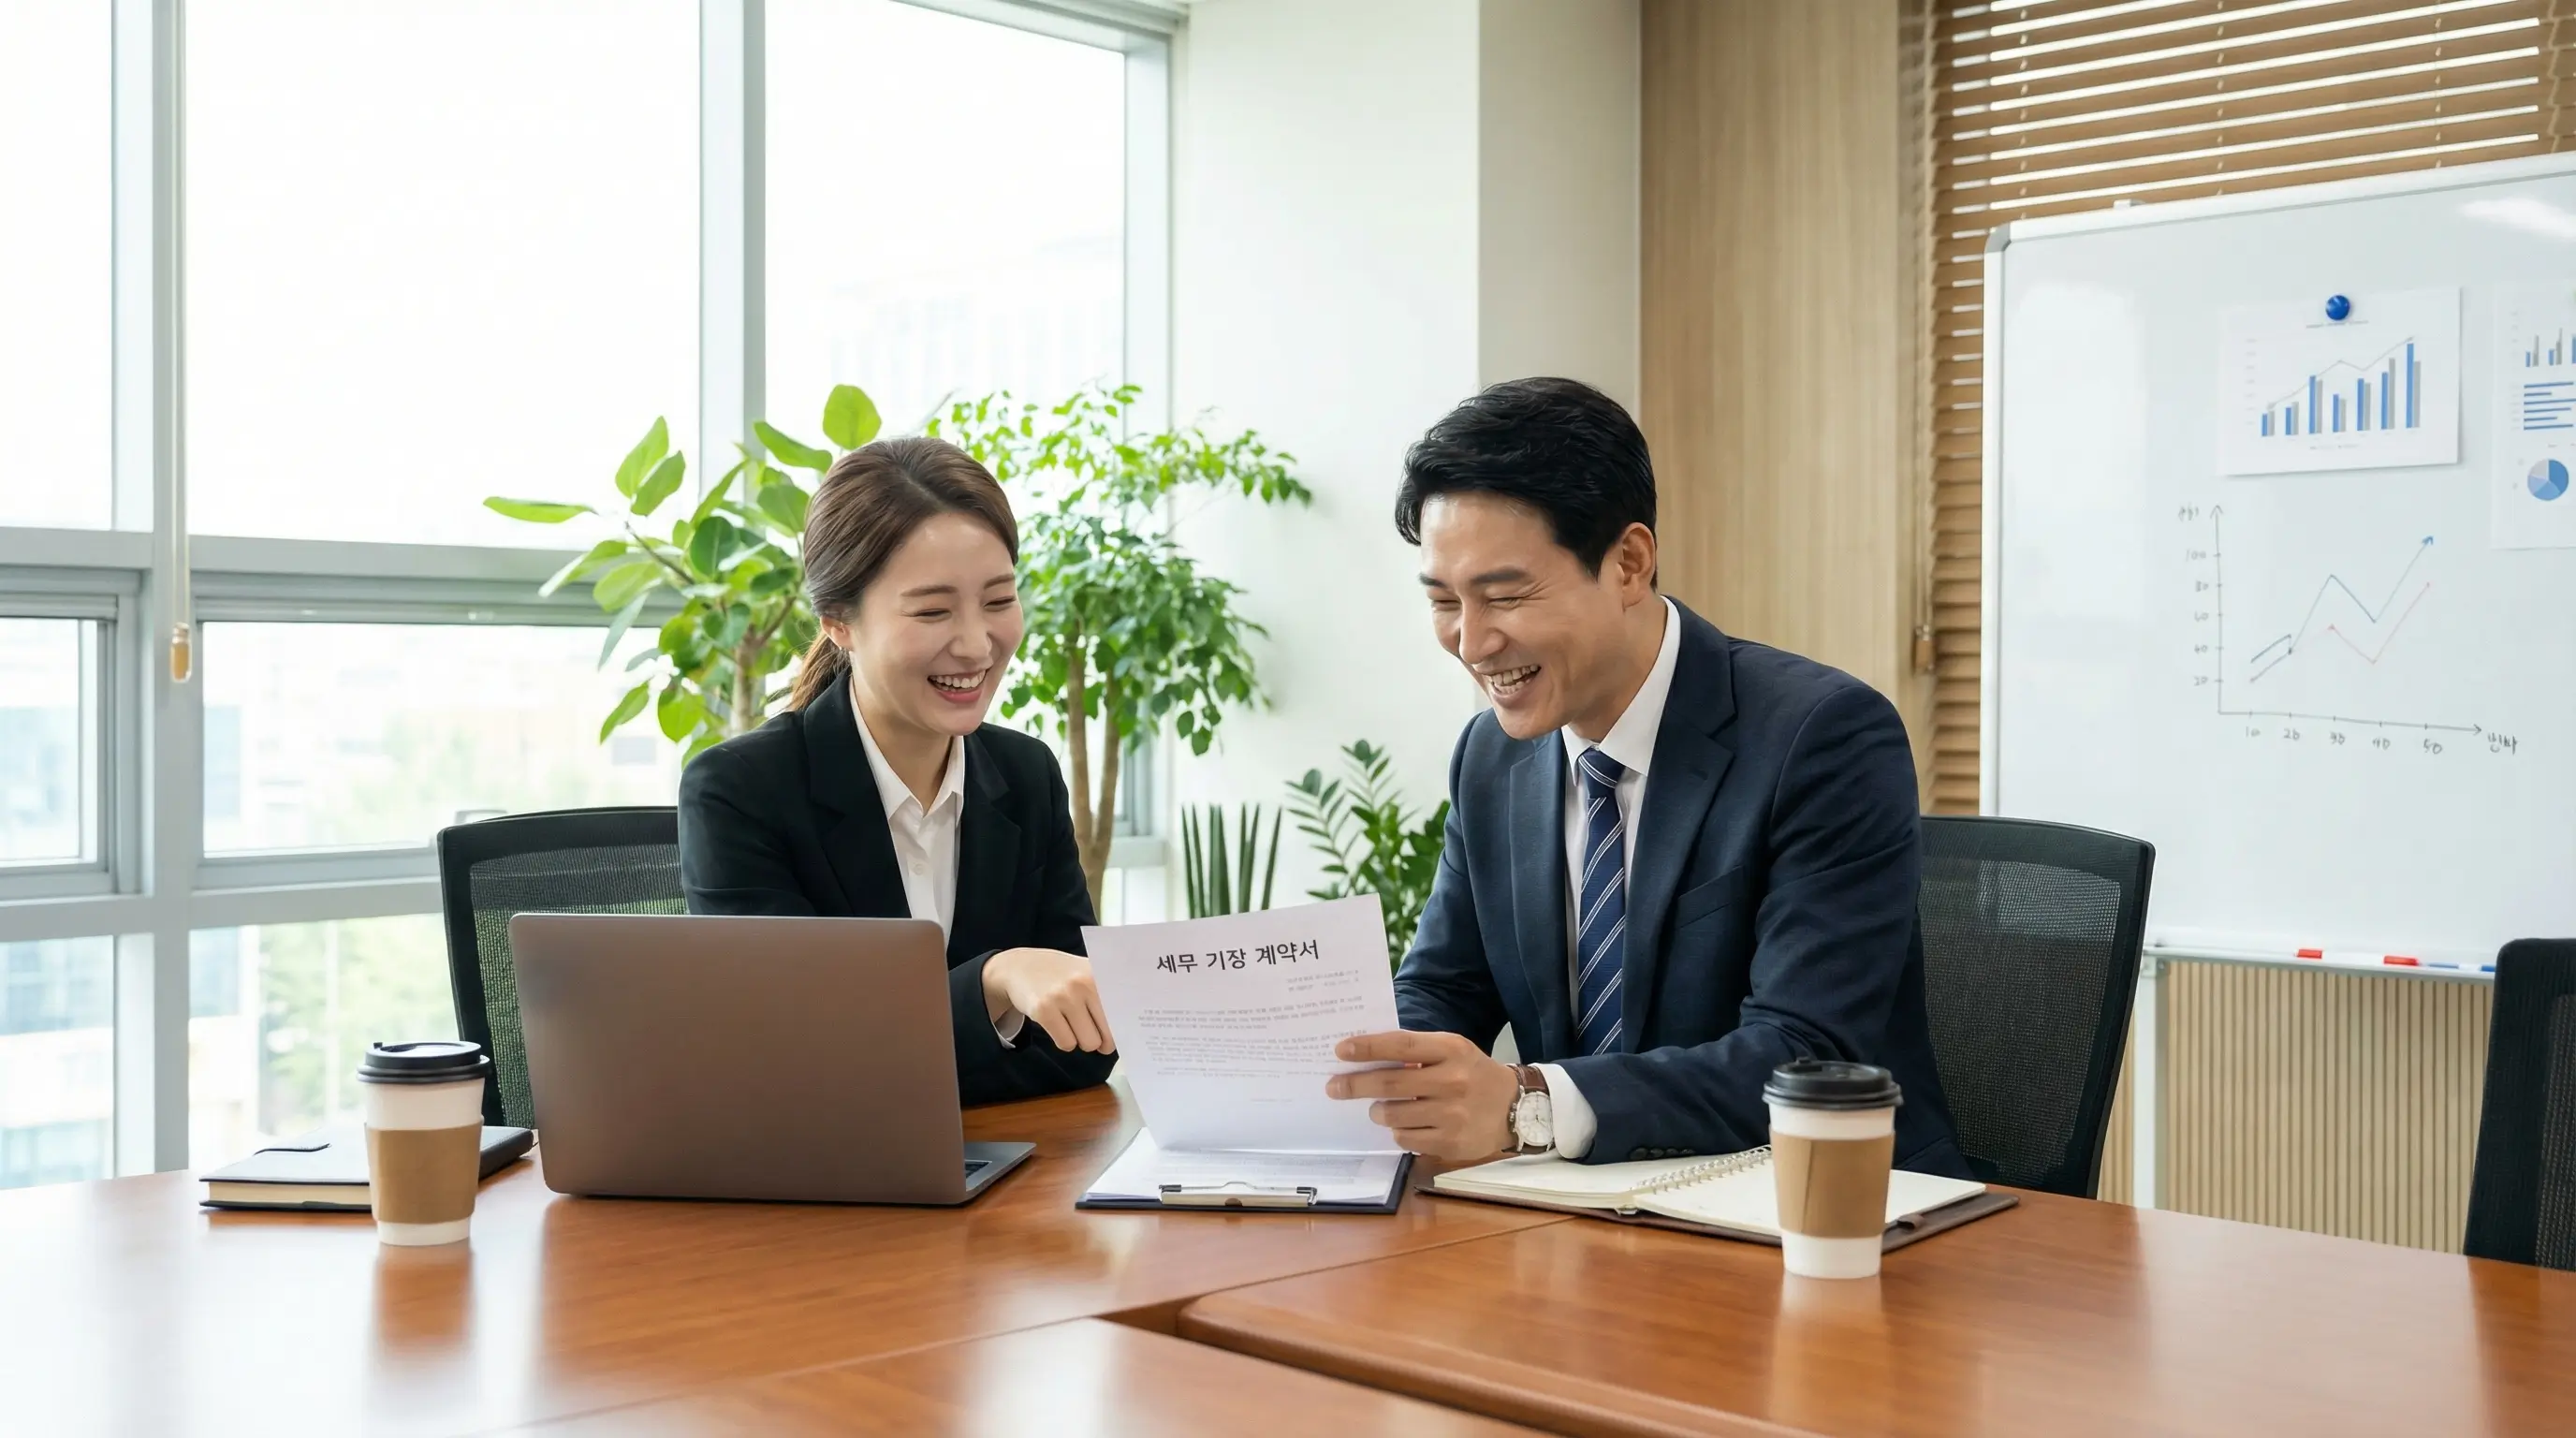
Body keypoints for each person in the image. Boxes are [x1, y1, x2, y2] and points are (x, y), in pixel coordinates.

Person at [1325, 377, 1970, 1177]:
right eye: (1444, 601)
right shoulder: (1491, 757)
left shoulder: (1823, 737)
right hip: (1584, 1219)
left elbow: (1803, 1054)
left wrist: (1525, 1105)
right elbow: (1444, 988)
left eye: (1505, 595)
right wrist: (1355, 1061)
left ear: (1629, 563)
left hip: (1810, 1210)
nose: (1472, 641)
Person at [677, 435, 1116, 1107]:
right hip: (828, 1193)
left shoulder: (1027, 777)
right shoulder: (743, 791)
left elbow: (1084, 1049)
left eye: (998, 601)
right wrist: (992, 983)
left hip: (1013, 1180)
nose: (976, 644)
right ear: (838, 623)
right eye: (933, 611)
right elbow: (785, 1061)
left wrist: (894, 1051)